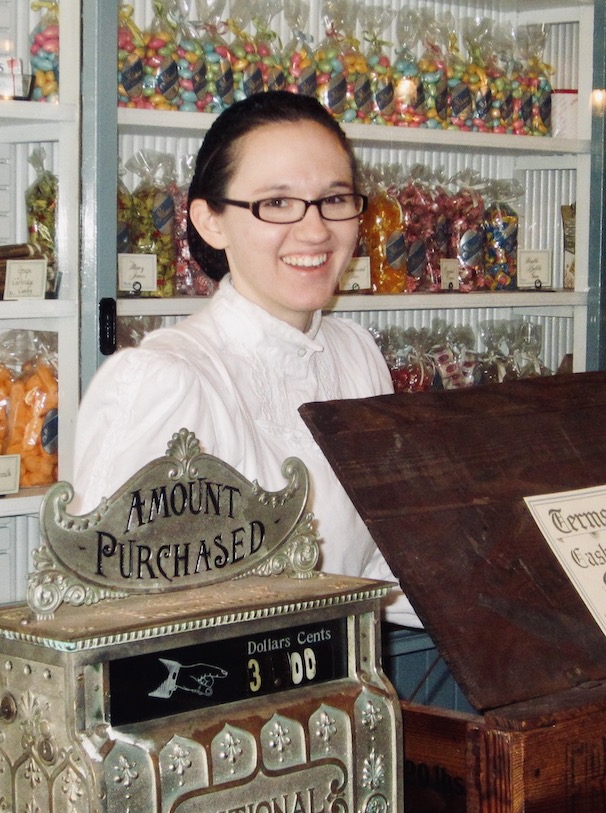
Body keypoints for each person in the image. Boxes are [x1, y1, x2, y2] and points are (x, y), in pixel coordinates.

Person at [72, 91, 418, 627]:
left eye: (334, 199)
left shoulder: (355, 355)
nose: (315, 230)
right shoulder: (166, 381)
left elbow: (378, 564)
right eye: (276, 203)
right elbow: (100, 606)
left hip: (336, 690)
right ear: (211, 221)